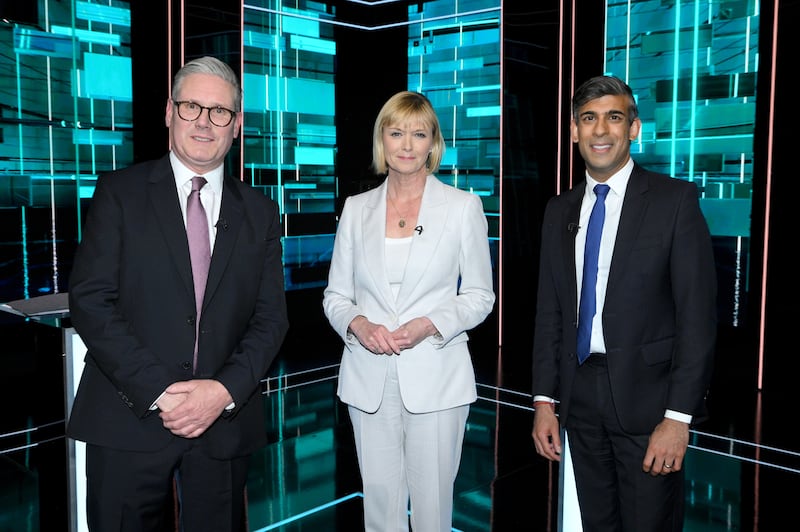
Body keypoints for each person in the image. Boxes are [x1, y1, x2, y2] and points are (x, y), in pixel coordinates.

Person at [67, 56, 289, 532]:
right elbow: (91, 301)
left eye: (220, 112)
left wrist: (221, 391)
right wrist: (162, 393)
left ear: (237, 125)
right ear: (169, 112)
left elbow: (271, 319)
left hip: (224, 423)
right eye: (191, 107)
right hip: (129, 416)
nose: (205, 123)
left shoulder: (261, 212)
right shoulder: (118, 194)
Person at [530, 75, 717, 531]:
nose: (600, 130)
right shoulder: (559, 210)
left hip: (651, 405)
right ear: (573, 131)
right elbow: (550, 313)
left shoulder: (674, 201)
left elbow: (698, 317)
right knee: (597, 524)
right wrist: (543, 401)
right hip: (580, 398)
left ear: (633, 128)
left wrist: (678, 419)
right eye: (588, 119)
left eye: (614, 118)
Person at [322, 91, 495, 532]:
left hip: (437, 374)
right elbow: (335, 296)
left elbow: (479, 295)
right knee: (379, 507)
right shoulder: (356, 210)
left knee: (433, 509)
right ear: (383, 139)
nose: (406, 144)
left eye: (418, 134)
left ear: (433, 143)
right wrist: (358, 324)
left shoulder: (462, 208)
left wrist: (429, 324)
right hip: (368, 375)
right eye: (396, 132)